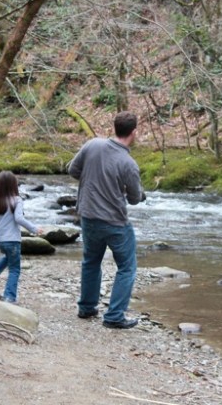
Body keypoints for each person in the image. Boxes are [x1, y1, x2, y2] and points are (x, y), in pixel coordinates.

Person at [68, 111, 146, 329]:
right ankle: (114, 316)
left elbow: (72, 170)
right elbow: (135, 199)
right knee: (127, 267)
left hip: (88, 216)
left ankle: (87, 307)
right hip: (114, 222)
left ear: (115, 127)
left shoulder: (92, 145)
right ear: (134, 132)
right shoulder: (128, 163)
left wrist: (93, 181)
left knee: (91, 261)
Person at [0, 171, 42, 304]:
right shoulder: (17, 200)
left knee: (8, 257)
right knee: (14, 269)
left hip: (0, 240)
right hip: (12, 240)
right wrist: (34, 229)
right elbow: (19, 218)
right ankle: (10, 297)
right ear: (13, 185)